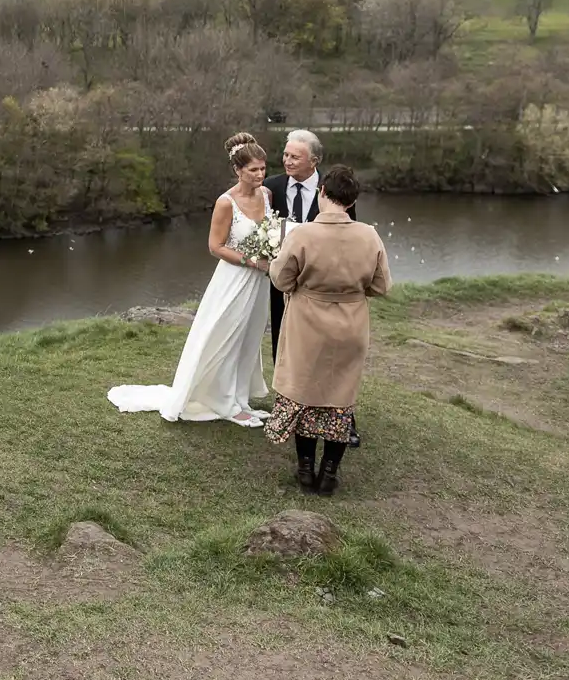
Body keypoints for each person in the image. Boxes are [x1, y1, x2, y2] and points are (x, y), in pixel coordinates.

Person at [108, 133, 275, 426]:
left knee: (249, 338)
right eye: (253, 169)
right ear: (238, 170)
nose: (260, 174)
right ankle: (224, 403)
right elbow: (215, 247)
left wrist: (271, 251)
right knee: (226, 337)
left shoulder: (267, 195)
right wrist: (252, 260)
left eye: (263, 168)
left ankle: (239, 398)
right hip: (234, 280)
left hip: (259, 282)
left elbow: (270, 231)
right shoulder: (226, 203)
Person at [266, 165, 389, 496]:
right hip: (350, 324)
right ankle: (329, 473)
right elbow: (381, 286)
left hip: (307, 322)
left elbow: (280, 279)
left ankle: (305, 469)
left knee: (305, 394)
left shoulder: (302, 235)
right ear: (351, 202)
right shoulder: (370, 235)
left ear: (322, 192)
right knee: (340, 397)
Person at [263, 129, 353, 366]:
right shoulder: (270, 187)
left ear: (314, 161)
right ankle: (282, 388)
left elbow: (347, 232)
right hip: (281, 279)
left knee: (317, 340)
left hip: (320, 281)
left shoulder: (333, 189)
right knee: (281, 333)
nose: (287, 161)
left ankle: (315, 391)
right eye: (285, 155)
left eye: (295, 157)